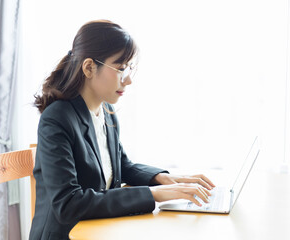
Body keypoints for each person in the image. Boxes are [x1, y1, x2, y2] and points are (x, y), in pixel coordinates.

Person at [29, 19, 215, 240]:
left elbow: (121, 166)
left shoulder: (106, 112)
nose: (128, 80)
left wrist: (165, 179)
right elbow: (69, 204)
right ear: (89, 67)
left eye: (129, 68)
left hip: (100, 230)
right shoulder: (57, 119)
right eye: (120, 69)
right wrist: (153, 194)